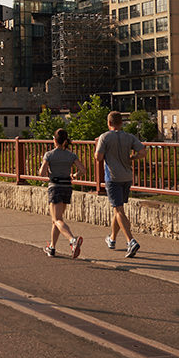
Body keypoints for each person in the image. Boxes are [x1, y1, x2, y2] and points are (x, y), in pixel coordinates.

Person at [95, 111, 146, 258]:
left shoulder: (105, 137)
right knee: (117, 209)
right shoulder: (129, 136)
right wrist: (132, 157)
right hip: (127, 177)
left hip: (113, 177)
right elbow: (143, 152)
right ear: (121, 123)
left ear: (109, 123)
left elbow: (98, 157)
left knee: (119, 211)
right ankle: (112, 238)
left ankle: (131, 241)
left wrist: (98, 147)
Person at [38, 128, 87, 258]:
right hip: (67, 187)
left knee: (57, 219)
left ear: (54, 140)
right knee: (57, 220)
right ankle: (52, 248)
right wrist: (74, 175)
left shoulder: (49, 154)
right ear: (66, 141)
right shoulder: (71, 155)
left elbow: (41, 173)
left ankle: (72, 240)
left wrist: (47, 170)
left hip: (55, 187)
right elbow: (83, 170)